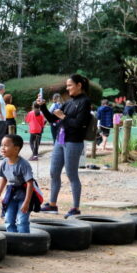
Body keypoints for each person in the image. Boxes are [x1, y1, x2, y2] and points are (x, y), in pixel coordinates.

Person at [36, 74, 92, 218]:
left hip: (74, 141)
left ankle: (75, 208)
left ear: (79, 85)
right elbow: (53, 118)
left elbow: (79, 124)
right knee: (54, 172)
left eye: (70, 85)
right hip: (60, 140)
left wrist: (64, 117)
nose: (67, 88)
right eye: (67, 86)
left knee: (71, 174)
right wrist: (42, 107)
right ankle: (52, 204)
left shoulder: (85, 102)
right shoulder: (68, 102)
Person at [0, 135, 35, 233]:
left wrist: (26, 202)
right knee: (8, 219)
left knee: (22, 220)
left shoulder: (23, 164)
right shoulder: (4, 162)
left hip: (24, 195)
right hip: (11, 195)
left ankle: (24, 242)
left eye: (6, 145)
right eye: (1, 145)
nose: (2, 148)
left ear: (16, 149)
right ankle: (13, 240)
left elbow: (30, 183)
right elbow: (4, 177)